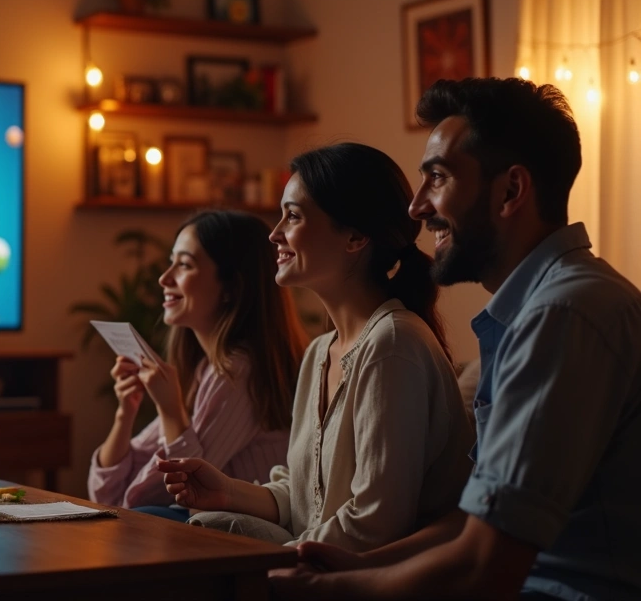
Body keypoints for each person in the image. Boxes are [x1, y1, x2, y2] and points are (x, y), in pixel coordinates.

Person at [272, 79, 641, 601]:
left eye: (438, 178)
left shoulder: (564, 314)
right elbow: (475, 522)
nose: (417, 207)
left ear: (511, 191)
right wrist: (360, 565)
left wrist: (337, 588)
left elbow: (486, 566)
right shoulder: (534, 311)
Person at [159, 143, 474, 550]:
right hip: (324, 559)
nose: (275, 233)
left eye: (293, 216)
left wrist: (280, 562)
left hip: (375, 573)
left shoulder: (393, 344)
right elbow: (305, 496)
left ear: (355, 236)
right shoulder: (319, 352)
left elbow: (376, 522)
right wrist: (227, 491)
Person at [88, 210, 308, 520]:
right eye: (171, 262)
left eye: (185, 265)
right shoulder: (206, 369)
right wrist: (126, 412)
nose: (164, 279)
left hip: (246, 529)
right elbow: (106, 495)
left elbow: (179, 488)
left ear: (231, 288)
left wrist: (171, 411)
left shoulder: (239, 370)